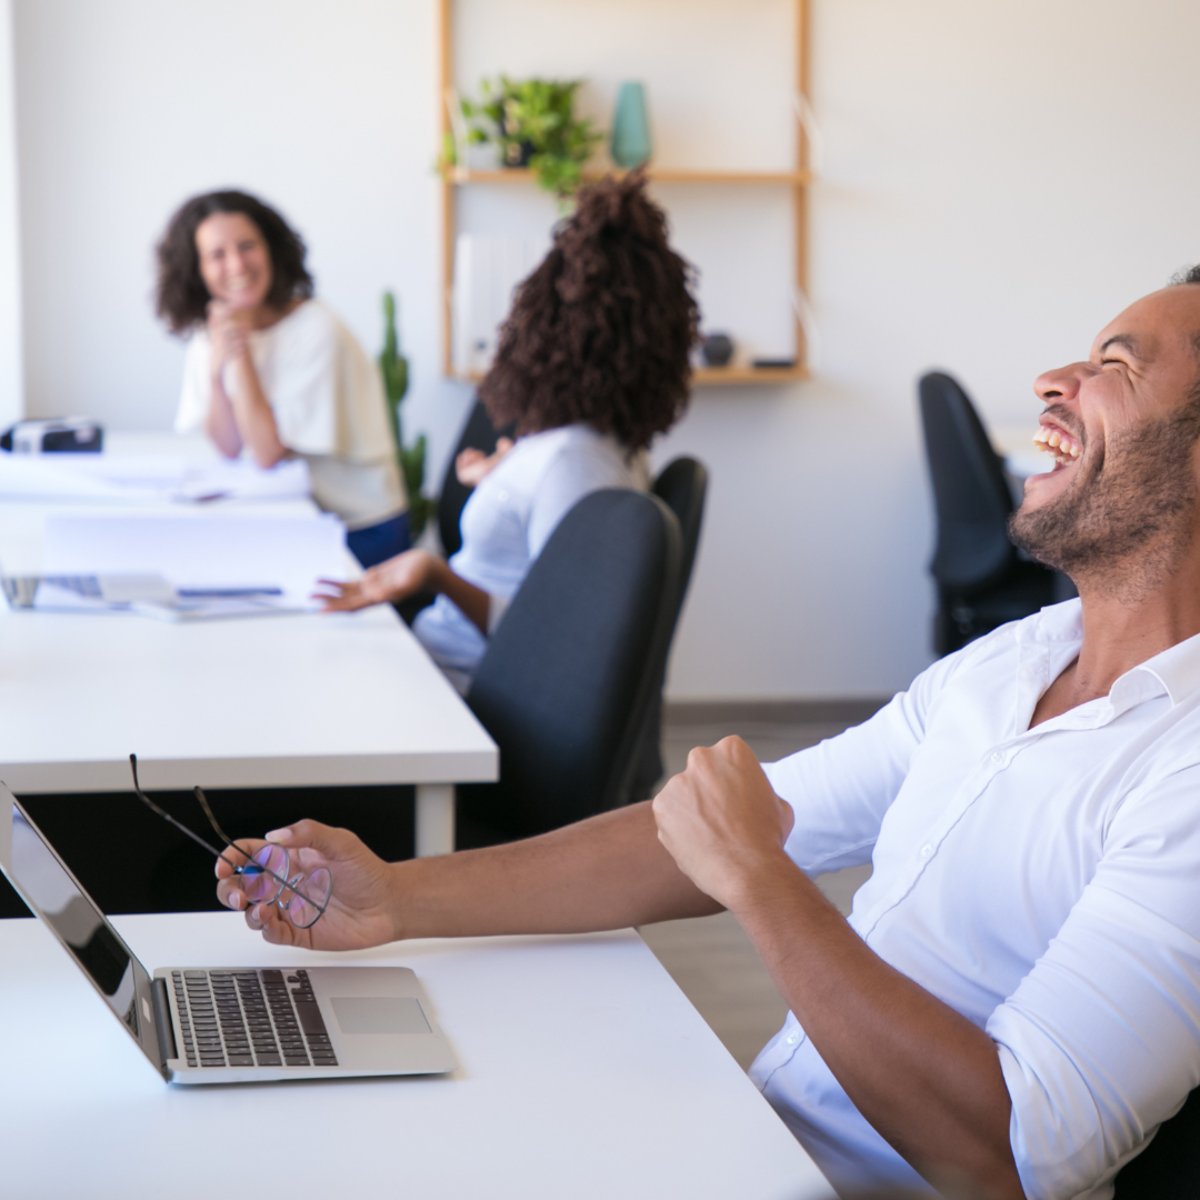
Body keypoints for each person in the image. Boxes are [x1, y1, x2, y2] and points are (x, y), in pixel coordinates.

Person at [217, 272, 1200, 1200]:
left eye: (1116, 366)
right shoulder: (1017, 659)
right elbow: (702, 837)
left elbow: (1010, 1157)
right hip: (761, 1136)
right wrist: (395, 894)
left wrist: (758, 878)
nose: (1054, 382)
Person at [313, 171, 699, 693]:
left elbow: (556, 639)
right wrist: (504, 476)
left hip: (462, 692)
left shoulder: (576, 462)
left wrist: (434, 573)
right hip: (441, 669)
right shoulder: (592, 445)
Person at [154, 189, 409, 568]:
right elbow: (227, 446)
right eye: (217, 255)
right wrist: (214, 372)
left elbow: (267, 453)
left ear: (271, 249)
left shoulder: (318, 329)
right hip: (291, 516)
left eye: (247, 246)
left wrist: (239, 358)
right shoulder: (213, 330)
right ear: (198, 270)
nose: (237, 266)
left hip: (359, 530)